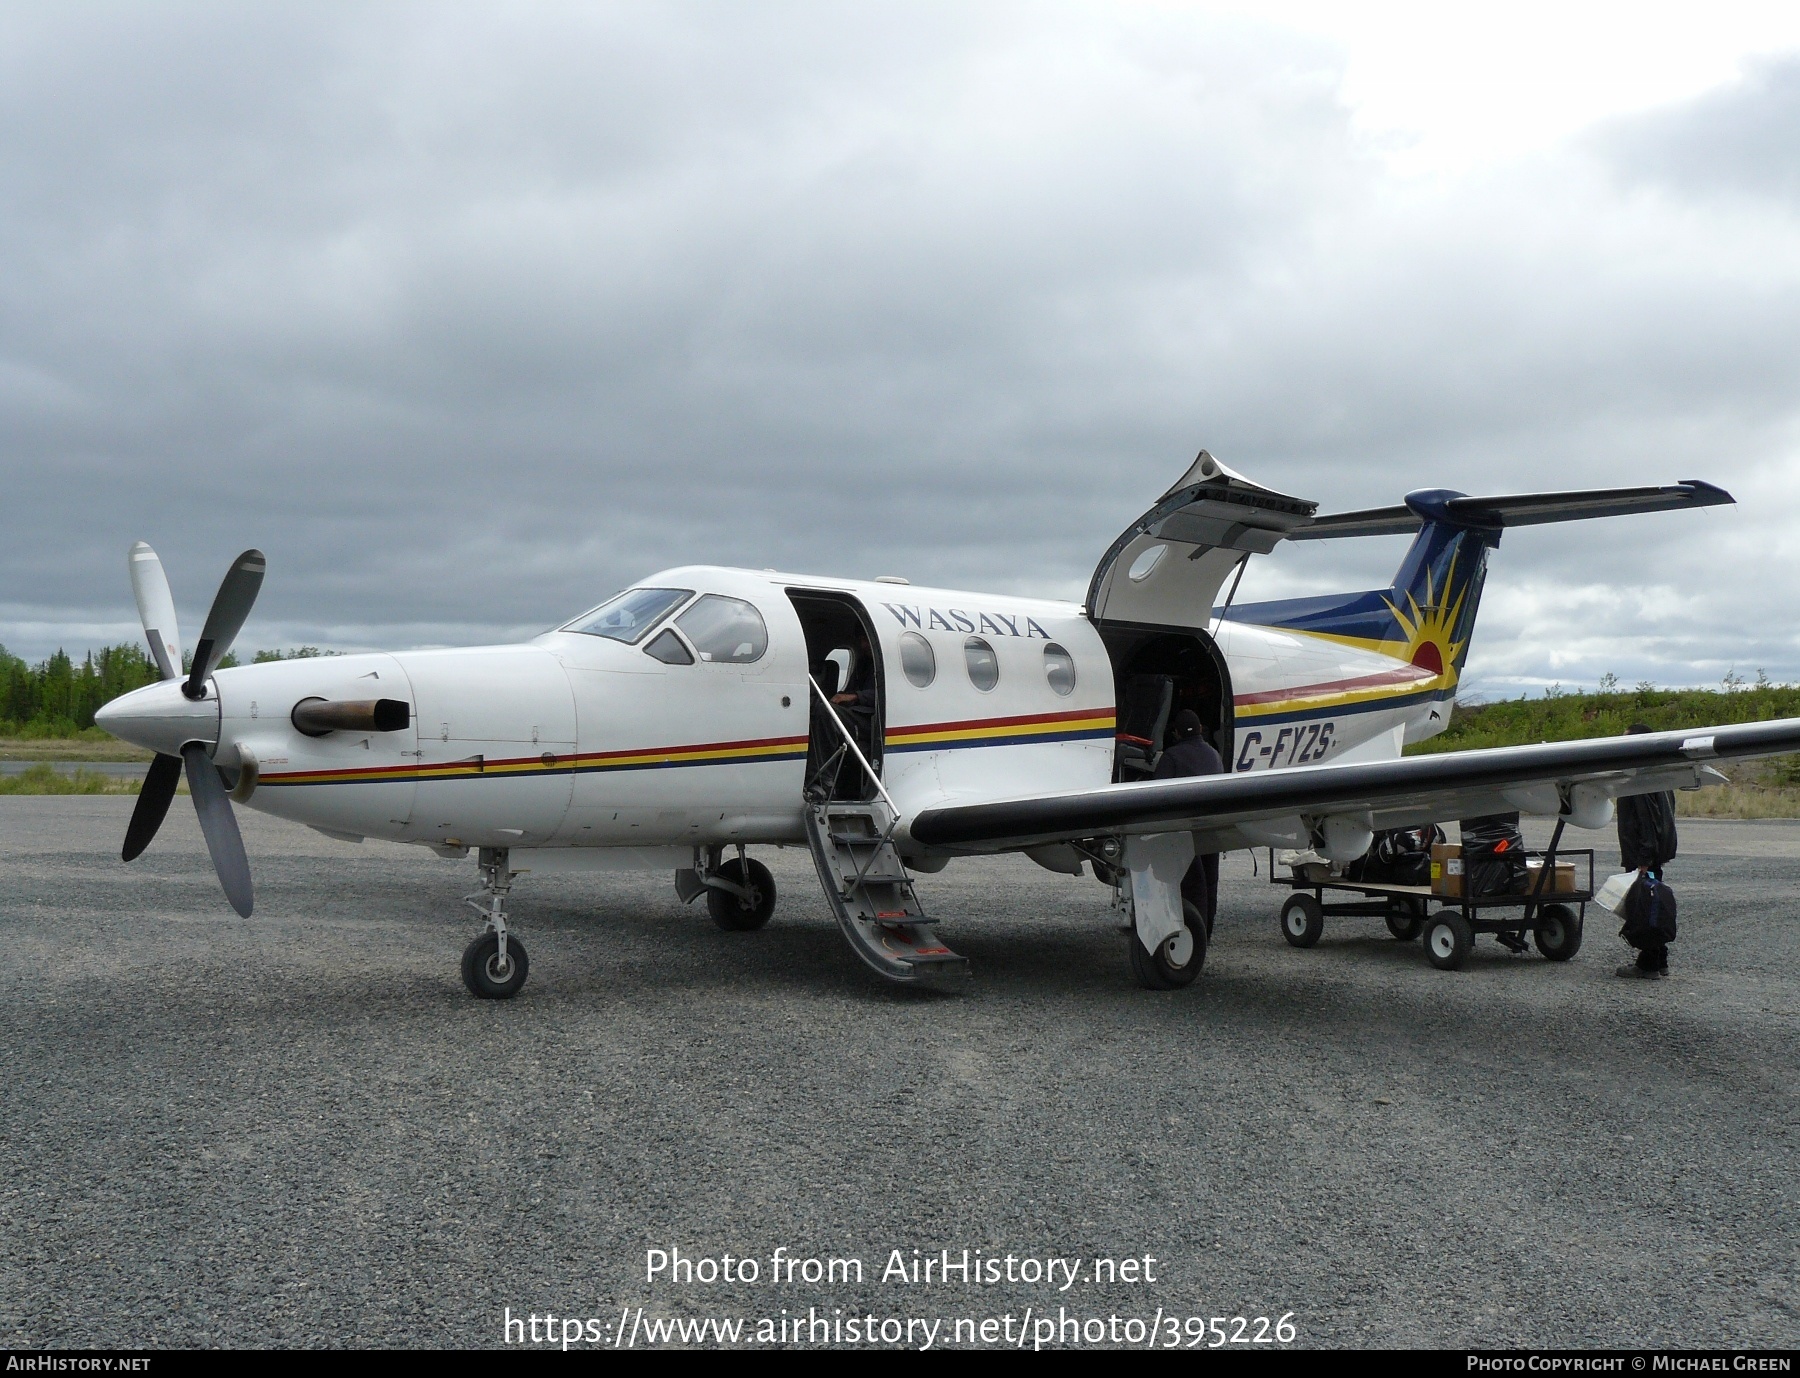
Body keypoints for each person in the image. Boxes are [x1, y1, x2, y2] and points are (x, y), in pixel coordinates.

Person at [1615, 723, 1678, 980]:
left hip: (1644, 854)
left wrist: (1643, 859)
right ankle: (1659, 959)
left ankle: (1648, 963)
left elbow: (1646, 820)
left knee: (1644, 906)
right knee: (1652, 904)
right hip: (1653, 853)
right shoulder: (1657, 773)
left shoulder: (1638, 779)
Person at [1153, 709, 1223, 934]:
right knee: (1210, 885)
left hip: (1184, 833)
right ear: (1200, 730)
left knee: (1192, 887)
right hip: (1211, 830)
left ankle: (1191, 936)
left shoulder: (1171, 757)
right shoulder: (1214, 755)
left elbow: (1156, 796)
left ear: (1176, 733)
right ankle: (1206, 934)